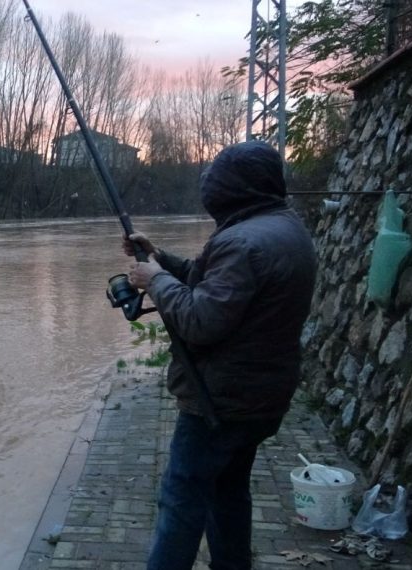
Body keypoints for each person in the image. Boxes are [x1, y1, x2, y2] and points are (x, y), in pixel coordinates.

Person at [121, 140, 317, 570]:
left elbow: (200, 319)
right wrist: (162, 260)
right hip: (261, 398)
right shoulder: (283, 227)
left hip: (221, 403)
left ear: (231, 189)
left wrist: (153, 281)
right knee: (228, 491)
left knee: (181, 502)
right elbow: (216, 286)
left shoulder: (243, 241)